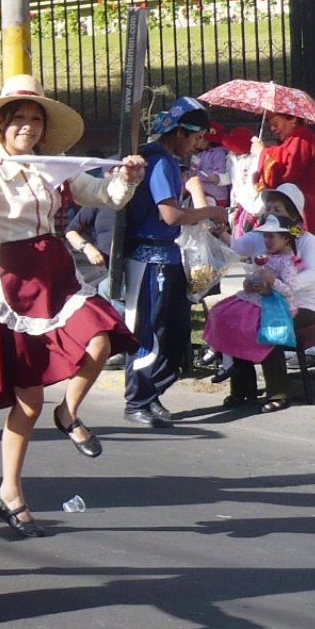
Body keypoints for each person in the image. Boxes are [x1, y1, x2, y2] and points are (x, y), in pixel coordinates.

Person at [0, 76, 145, 537]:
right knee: (28, 402)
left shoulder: (51, 164)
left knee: (101, 335)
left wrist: (126, 179)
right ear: (2, 122)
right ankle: (10, 492)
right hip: (6, 279)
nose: (29, 127)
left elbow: (102, 196)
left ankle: (70, 412)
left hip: (54, 270)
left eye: (36, 119)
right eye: (19, 118)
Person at [123, 96, 221, 429]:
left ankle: (151, 396)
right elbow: (170, 215)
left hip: (165, 258)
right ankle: (138, 400)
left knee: (172, 332)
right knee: (151, 332)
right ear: (179, 133)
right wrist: (210, 211)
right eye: (196, 138)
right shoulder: (160, 162)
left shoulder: (165, 161)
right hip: (151, 262)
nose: (198, 145)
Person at [206, 211, 315, 412]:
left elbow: (290, 288)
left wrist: (271, 282)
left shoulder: (290, 260)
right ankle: (241, 385)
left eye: (272, 236)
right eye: (265, 236)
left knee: (265, 332)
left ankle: (279, 392)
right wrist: (250, 283)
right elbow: (252, 274)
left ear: (285, 239)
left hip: (278, 307)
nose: (267, 240)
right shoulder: (264, 257)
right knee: (229, 320)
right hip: (259, 302)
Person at [251, 108, 315, 255]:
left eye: (276, 123)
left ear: (293, 120)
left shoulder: (302, 136)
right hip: (299, 202)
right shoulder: (293, 139)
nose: (272, 128)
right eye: (271, 124)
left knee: (304, 248)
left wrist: (262, 153)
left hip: (305, 203)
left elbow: (289, 170)